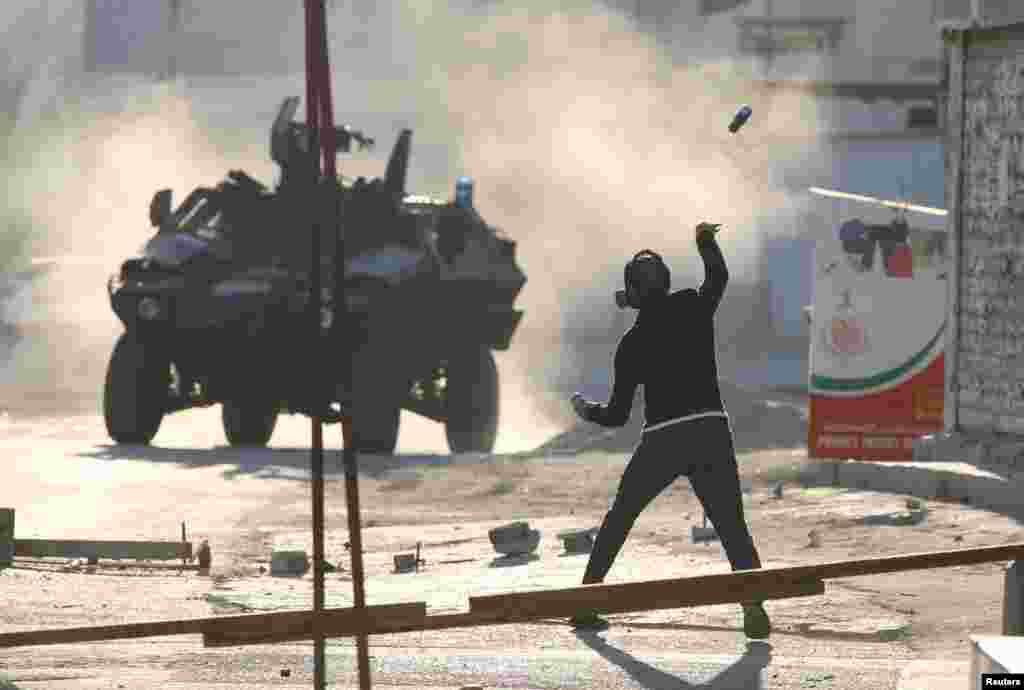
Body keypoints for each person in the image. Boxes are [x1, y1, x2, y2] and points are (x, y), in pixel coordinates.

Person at [567, 222, 771, 640]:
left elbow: (617, 416)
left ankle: (586, 603)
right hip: (710, 431)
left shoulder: (632, 343)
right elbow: (718, 277)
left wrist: (585, 410)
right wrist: (705, 242)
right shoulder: (692, 306)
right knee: (732, 524)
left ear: (633, 293)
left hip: (663, 438)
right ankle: (753, 607)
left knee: (620, 516)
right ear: (666, 281)